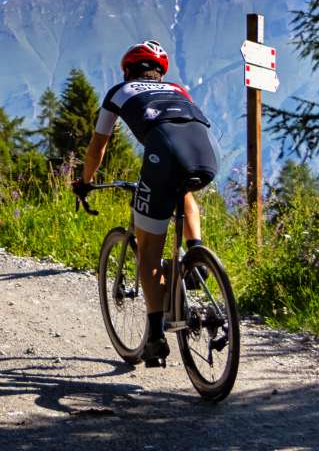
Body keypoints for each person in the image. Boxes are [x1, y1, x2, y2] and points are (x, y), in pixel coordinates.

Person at [74, 40, 218, 366]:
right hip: (208, 153)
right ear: (160, 72)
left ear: (127, 70)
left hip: (165, 154)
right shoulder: (178, 89)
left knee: (149, 252)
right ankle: (195, 255)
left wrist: (85, 181)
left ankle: (154, 336)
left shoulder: (120, 91)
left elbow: (99, 145)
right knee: (184, 194)